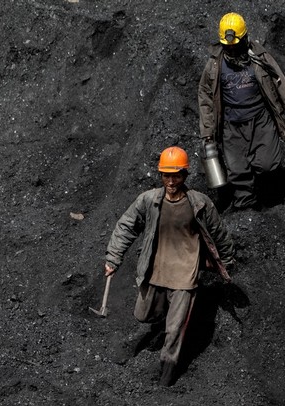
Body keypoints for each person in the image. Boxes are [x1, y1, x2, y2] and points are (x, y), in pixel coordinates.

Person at [103, 146, 235, 386]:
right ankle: (163, 322)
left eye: (176, 176)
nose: (171, 182)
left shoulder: (199, 203)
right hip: (156, 271)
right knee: (143, 314)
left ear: (185, 175)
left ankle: (167, 374)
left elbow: (219, 233)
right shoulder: (149, 200)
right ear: (161, 175)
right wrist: (113, 258)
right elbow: (126, 226)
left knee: (175, 330)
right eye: (166, 176)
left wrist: (226, 262)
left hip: (185, 276)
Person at [198, 12, 285, 210]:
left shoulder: (260, 59)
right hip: (231, 125)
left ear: (245, 38)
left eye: (235, 45)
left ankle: (269, 195)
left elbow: (282, 86)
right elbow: (205, 98)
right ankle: (246, 208)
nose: (232, 49)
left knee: (267, 164)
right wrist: (208, 132)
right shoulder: (214, 65)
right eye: (227, 46)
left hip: (261, 120)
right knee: (237, 170)